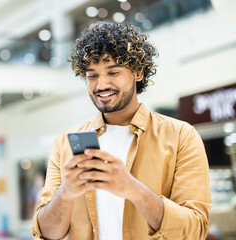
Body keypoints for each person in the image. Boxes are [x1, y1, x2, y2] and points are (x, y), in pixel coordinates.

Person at [31, 22, 212, 240]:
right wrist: (66, 192)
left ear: (137, 73)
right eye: (92, 76)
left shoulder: (181, 136)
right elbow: (47, 233)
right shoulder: (65, 144)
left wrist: (132, 189)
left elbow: (195, 230)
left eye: (113, 72)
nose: (100, 85)